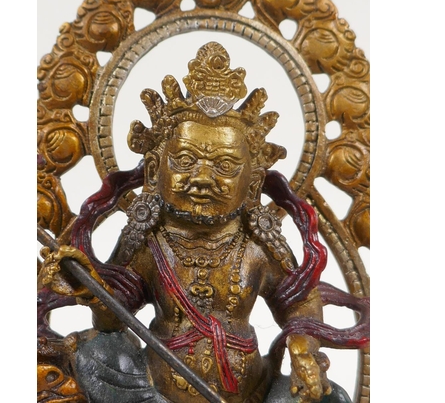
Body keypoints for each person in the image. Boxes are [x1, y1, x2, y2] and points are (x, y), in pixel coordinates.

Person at [38, 42, 367, 403]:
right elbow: (113, 319)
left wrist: (303, 348)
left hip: (249, 391)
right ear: (154, 171)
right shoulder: (148, 241)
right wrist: (90, 290)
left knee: (329, 397)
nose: (202, 178)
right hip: (158, 388)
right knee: (97, 351)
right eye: (184, 161)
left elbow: (299, 302)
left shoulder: (258, 246)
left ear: (253, 183)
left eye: (225, 166)